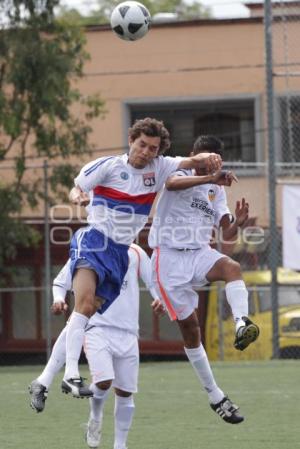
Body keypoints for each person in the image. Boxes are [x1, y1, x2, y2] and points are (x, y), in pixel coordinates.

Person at [63, 117, 222, 397]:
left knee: (88, 310)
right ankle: (71, 373)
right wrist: (78, 196)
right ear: (131, 141)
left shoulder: (159, 168)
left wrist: (208, 157)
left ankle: (56, 375)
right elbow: (77, 187)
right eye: (142, 145)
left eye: (153, 148)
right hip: (95, 241)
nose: (146, 152)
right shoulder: (109, 165)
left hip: (121, 252)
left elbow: (188, 162)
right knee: (84, 303)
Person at [149, 135, 260, 424]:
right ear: (194, 155)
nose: (208, 165)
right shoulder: (179, 171)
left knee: (232, 268)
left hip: (199, 252)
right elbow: (171, 185)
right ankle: (215, 396)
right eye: (204, 159)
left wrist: (238, 222)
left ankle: (241, 324)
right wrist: (210, 176)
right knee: (191, 331)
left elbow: (227, 233)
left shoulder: (215, 188)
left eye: (213, 160)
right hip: (168, 259)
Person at [29, 243, 163, 449]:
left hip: (128, 332)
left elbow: (153, 281)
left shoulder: (135, 252)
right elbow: (61, 281)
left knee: (125, 393)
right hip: (97, 327)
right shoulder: (89, 247)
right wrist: (58, 298)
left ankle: (120, 445)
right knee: (104, 381)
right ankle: (94, 415)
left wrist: (159, 299)